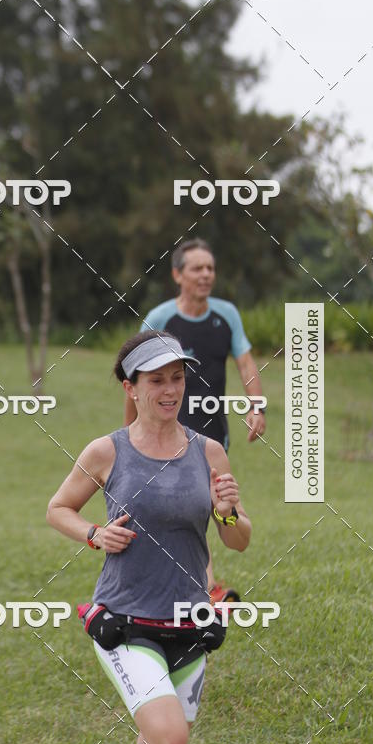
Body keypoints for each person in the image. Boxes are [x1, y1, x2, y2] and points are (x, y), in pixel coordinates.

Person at [47, 330, 251, 744]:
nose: (170, 390)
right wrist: (95, 533)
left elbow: (238, 540)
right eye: (156, 379)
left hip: (189, 623)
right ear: (130, 387)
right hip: (125, 620)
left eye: (177, 378)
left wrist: (227, 508)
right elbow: (57, 509)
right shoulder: (106, 451)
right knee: (169, 737)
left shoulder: (209, 453)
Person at [124, 238, 264, 601]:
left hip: (213, 435)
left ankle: (202, 587)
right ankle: (196, 587)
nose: (205, 275)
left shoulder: (227, 315)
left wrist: (256, 406)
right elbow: (135, 380)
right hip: (162, 436)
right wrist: (126, 436)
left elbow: (245, 362)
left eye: (210, 268)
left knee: (207, 509)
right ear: (177, 274)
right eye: (197, 268)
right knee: (177, 509)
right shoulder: (159, 318)